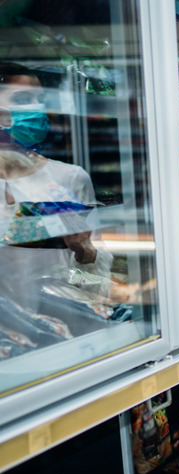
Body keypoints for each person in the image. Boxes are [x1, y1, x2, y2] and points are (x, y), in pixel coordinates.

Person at [0, 61, 111, 320]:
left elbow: (96, 285)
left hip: (60, 328)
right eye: (23, 99)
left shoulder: (69, 178)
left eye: (40, 100)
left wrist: (84, 251)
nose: (37, 108)